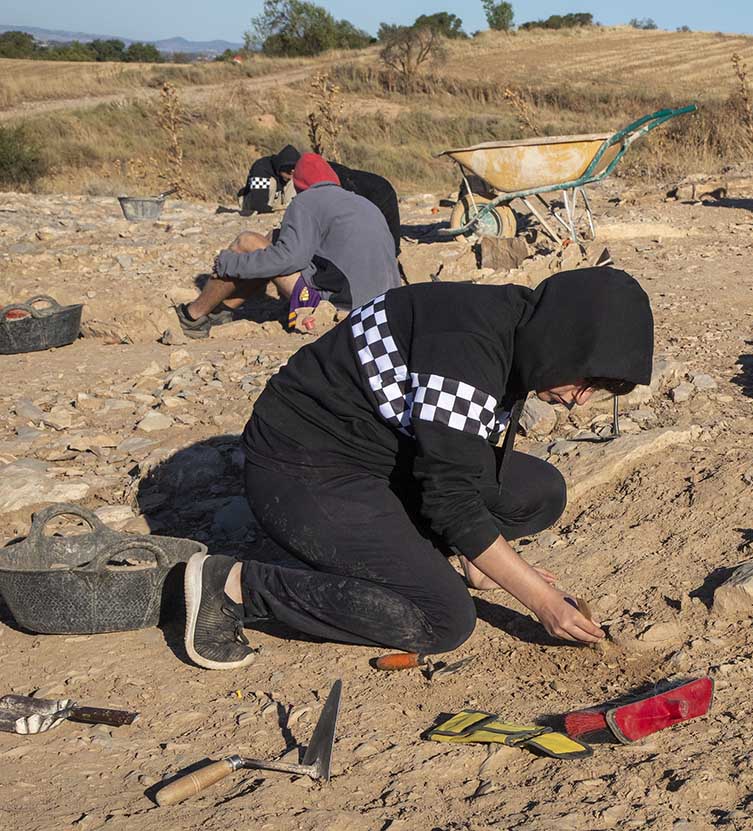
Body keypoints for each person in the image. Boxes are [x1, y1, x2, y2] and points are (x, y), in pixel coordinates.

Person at [180, 267, 653, 670]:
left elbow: (457, 455)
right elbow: (451, 498)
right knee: (443, 619)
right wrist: (542, 601)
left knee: (538, 491)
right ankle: (237, 586)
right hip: (303, 469)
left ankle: (434, 555)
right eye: (585, 380)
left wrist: (479, 563)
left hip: (382, 452)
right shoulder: (468, 347)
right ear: (566, 340)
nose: (579, 400)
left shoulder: (519, 327)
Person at [176, 153, 401, 339]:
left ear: (299, 184)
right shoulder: (360, 202)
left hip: (340, 307)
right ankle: (223, 311)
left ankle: (193, 316)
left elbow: (289, 259)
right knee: (275, 238)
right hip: (384, 305)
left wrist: (229, 263)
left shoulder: (307, 201)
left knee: (247, 242)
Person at [238, 144, 402, 257]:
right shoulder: (262, 169)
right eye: (289, 171)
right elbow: (258, 203)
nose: (291, 174)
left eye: (295, 171)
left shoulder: (340, 184)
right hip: (252, 199)